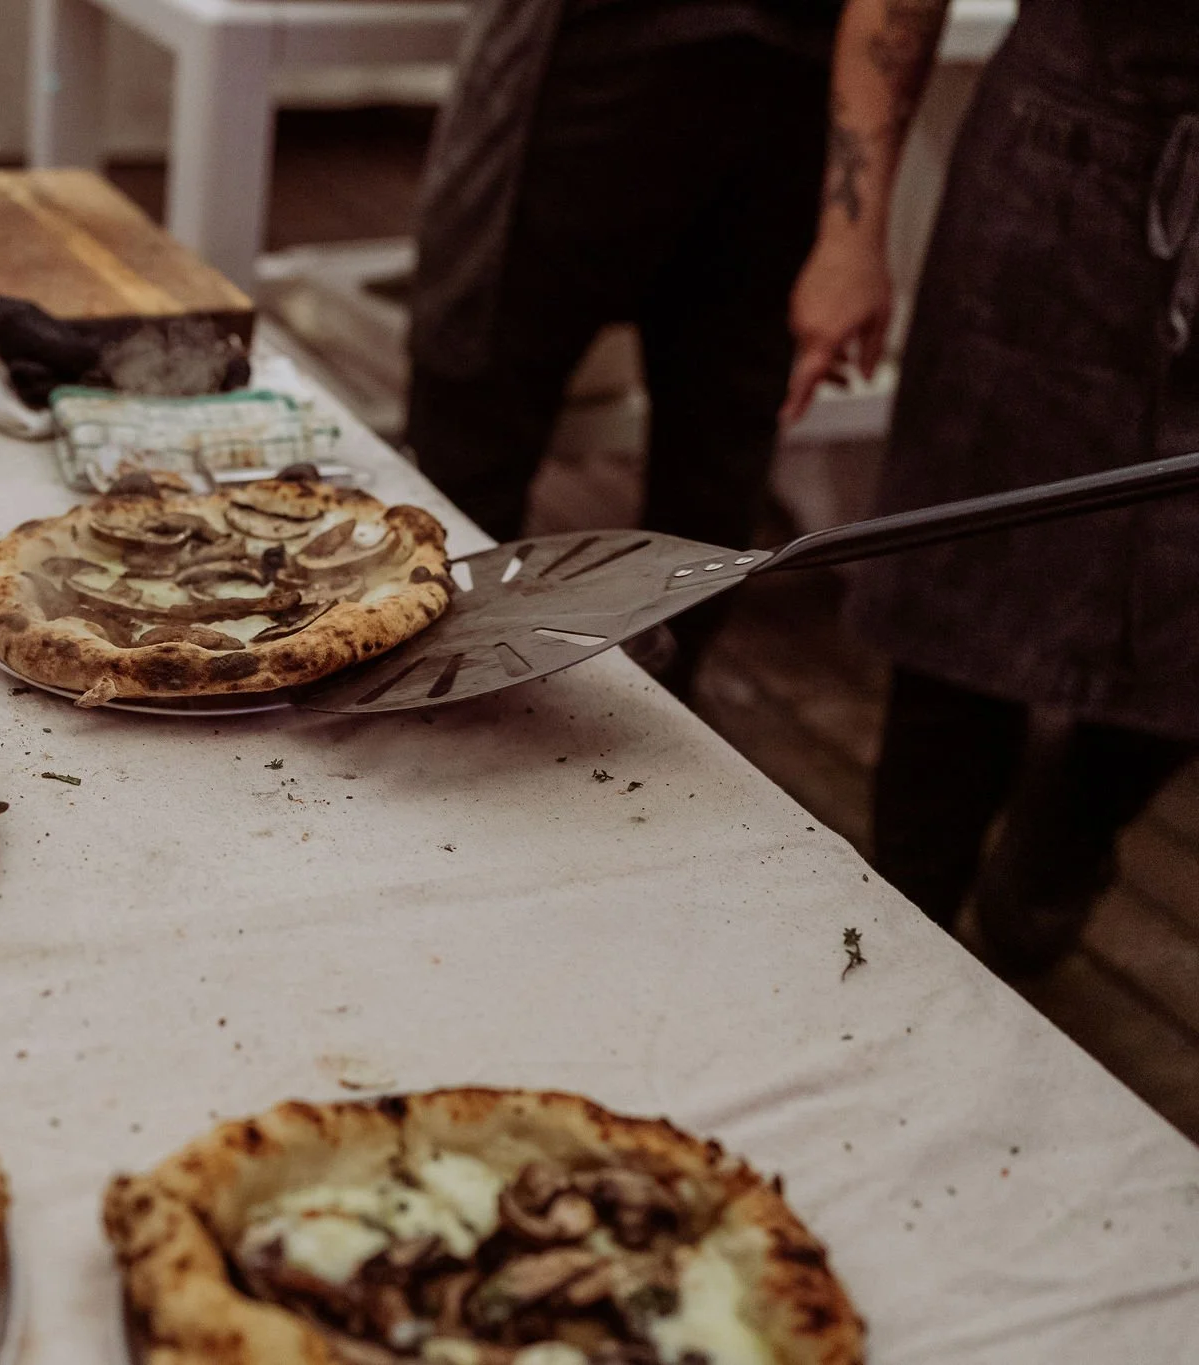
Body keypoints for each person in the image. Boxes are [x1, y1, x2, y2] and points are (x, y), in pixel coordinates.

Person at [785, 0, 1199, 973]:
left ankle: (1066, 829)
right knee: (959, 608)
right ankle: (900, 940)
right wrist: (849, 237)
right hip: (1053, 185)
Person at [408, 0, 845, 690]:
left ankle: (453, 700)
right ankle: (653, 704)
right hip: (793, 54)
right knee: (717, 433)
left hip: (608, 45)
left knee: (476, 394)